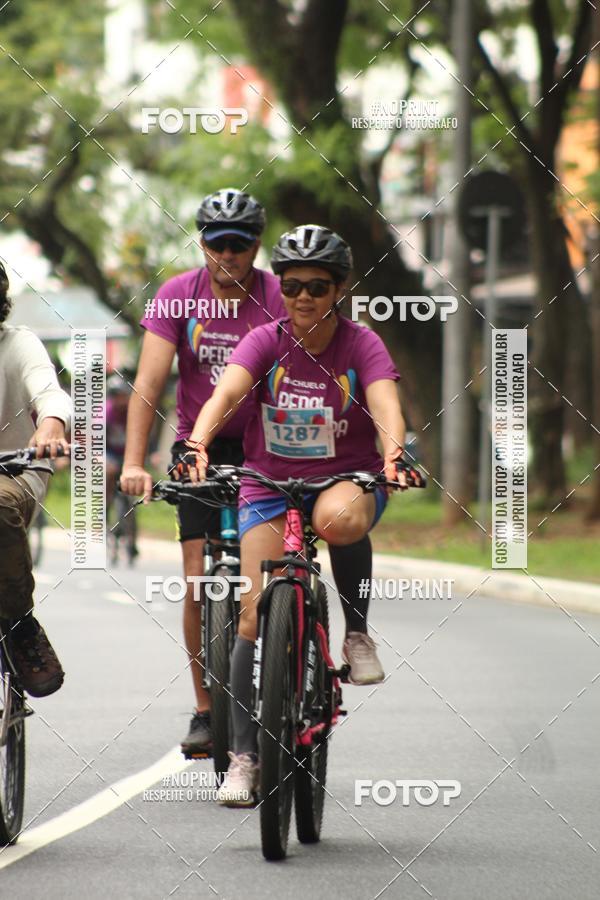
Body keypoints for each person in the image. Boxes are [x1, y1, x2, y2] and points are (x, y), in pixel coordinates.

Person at [183, 224, 407, 805]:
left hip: (342, 480)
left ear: (340, 289)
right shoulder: (264, 339)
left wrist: (393, 455)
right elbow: (225, 394)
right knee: (252, 617)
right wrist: (198, 443)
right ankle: (244, 760)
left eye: (317, 285)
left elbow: (385, 405)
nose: (304, 296)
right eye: (292, 285)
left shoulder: (361, 344)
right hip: (267, 483)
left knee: (339, 522)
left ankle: (356, 633)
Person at [120, 188, 285, 755]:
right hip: (200, 448)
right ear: (203, 244)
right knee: (197, 576)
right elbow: (149, 384)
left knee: (275, 568)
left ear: (256, 247)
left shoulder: (279, 297)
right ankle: (206, 709)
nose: (228, 257)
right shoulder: (176, 296)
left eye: (239, 246)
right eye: (218, 245)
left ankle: (286, 658)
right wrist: (136, 462)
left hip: (268, 448)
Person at [0, 260, 71, 697]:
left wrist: (50, 426)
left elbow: (48, 391)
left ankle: (20, 623)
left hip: (14, 471)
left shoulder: (18, 344)